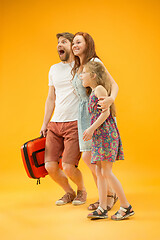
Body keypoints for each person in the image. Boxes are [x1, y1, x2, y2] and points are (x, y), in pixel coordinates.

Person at [81, 61, 135, 220]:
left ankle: (126, 206)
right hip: (100, 137)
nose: (81, 75)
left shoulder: (99, 89)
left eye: (84, 72)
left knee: (106, 172)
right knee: (99, 171)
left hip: (106, 135)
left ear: (93, 75)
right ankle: (102, 207)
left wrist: (91, 129)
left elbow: (105, 113)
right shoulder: (92, 92)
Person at [71, 32, 118, 211]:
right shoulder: (77, 66)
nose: (75, 45)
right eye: (73, 42)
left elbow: (114, 85)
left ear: (87, 44)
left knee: (92, 158)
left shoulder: (95, 63)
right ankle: (103, 195)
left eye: (78, 42)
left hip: (95, 115)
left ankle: (109, 194)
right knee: (91, 158)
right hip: (83, 114)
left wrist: (110, 99)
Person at [40, 32, 87, 206]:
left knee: (68, 166)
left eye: (64, 42)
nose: (60, 45)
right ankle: (69, 192)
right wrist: (45, 123)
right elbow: (50, 98)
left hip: (74, 122)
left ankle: (82, 190)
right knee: (50, 166)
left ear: (72, 46)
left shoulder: (80, 65)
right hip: (55, 123)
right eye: (58, 42)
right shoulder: (53, 69)